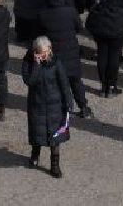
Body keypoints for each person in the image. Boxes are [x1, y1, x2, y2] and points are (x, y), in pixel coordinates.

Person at [23, 35, 72, 178]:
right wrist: (37, 65)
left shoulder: (56, 63)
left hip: (55, 105)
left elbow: (64, 83)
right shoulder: (29, 62)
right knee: (37, 132)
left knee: (55, 137)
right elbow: (30, 81)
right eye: (40, 52)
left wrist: (68, 101)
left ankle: (55, 166)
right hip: (36, 104)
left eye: (46, 52)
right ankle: (35, 155)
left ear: (50, 49)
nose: (44, 55)